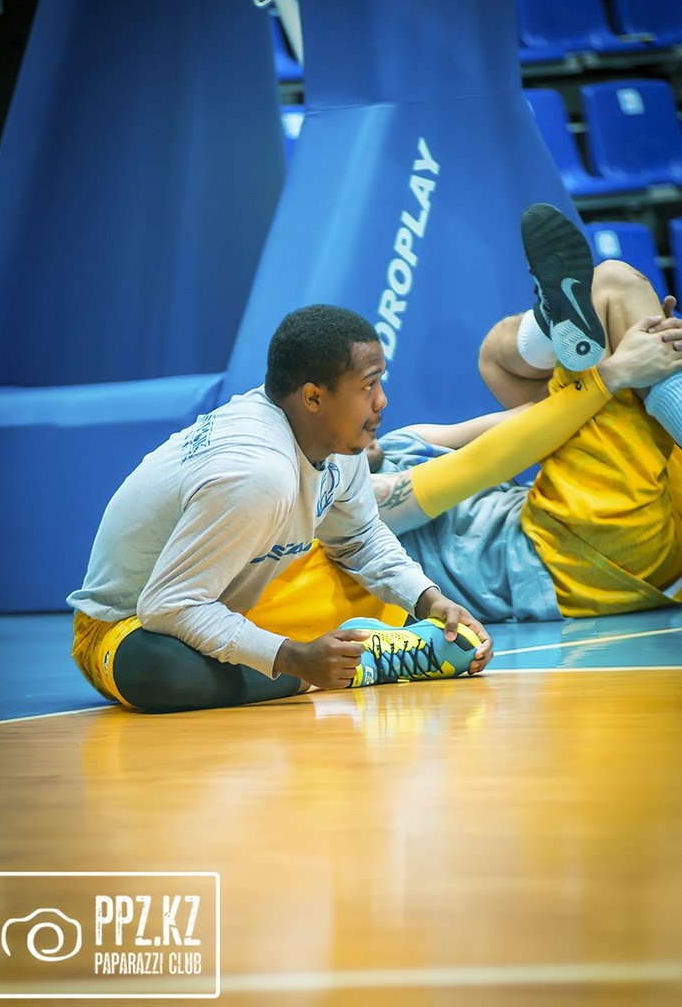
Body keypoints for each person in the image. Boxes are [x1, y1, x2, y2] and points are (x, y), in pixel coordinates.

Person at [245, 205, 682, 637]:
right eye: (366, 388)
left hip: (590, 517)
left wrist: (624, 347)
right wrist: (613, 375)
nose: (381, 401)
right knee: (613, 284)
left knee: (496, 355)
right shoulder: (345, 504)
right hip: (574, 559)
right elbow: (487, 462)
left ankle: (564, 327)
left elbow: (529, 419)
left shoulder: (401, 442)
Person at [68, 306, 493, 713]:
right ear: (313, 397)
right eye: (368, 386)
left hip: (222, 597)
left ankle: (344, 654)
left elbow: (361, 539)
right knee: (157, 671)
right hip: (130, 623)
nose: (381, 401)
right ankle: (353, 666)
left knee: (370, 581)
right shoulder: (258, 475)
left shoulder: (334, 439)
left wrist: (430, 601)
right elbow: (167, 607)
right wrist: (295, 659)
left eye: (380, 382)